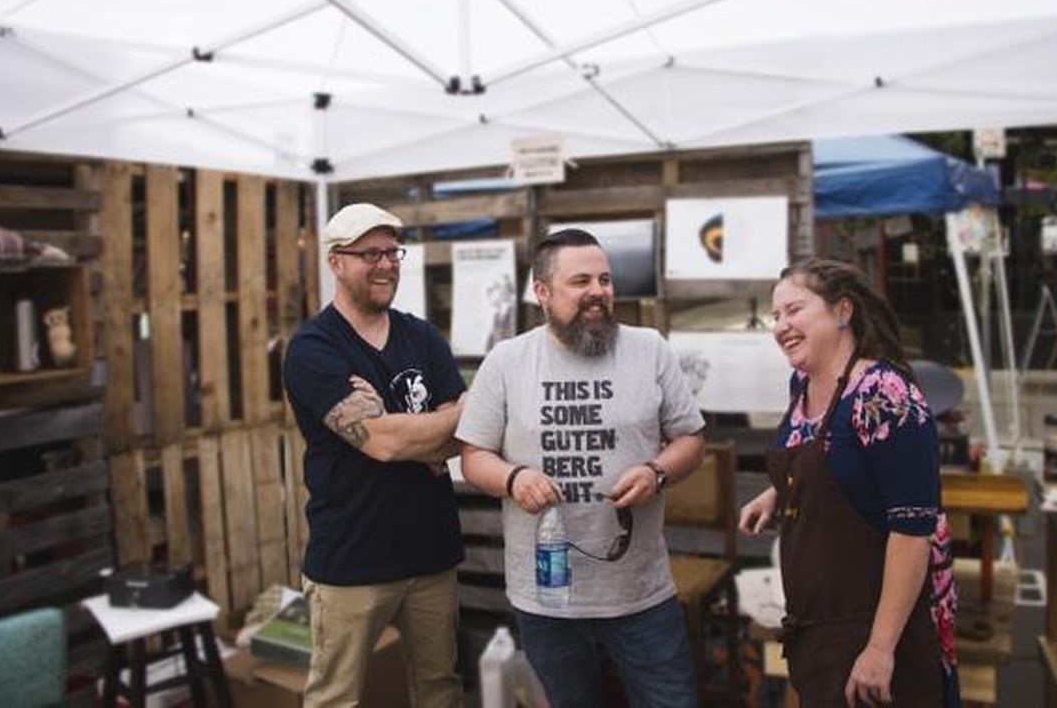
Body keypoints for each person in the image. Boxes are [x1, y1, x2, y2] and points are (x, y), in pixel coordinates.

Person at [457, 228, 706, 708]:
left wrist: (657, 472)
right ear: (542, 293)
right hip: (547, 595)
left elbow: (691, 440)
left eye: (605, 279)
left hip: (640, 592)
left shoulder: (649, 348)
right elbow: (474, 456)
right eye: (581, 281)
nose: (598, 291)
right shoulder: (508, 361)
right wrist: (513, 478)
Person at [738, 259, 958, 708]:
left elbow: (912, 532)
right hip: (818, 625)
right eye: (775, 316)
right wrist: (779, 489)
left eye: (794, 310)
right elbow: (831, 461)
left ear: (843, 311)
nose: (781, 326)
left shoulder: (884, 394)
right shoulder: (803, 382)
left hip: (876, 629)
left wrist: (880, 650)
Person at [283, 203, 466, 708]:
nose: (386, 264)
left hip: (432, 554)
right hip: (351, 559)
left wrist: (403, 430)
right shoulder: (313, 349)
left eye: (392, 251)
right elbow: (384, 442)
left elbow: (463, 429)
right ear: (336, 262)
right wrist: (415, 437)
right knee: (335, 699)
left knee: (441, 690)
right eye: (370, 253)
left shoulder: (422, 336)